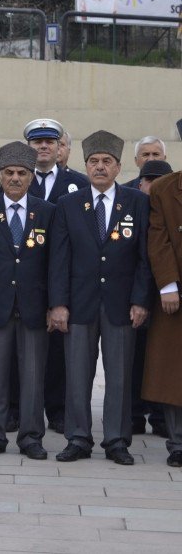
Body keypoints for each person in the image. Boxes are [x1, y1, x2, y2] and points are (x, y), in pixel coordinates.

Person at [49, 130, 152, 465]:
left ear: (119, 167)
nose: (100, 167)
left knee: (120, 376)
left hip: (122, 304)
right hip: (79, 304)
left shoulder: (137, 202)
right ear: (86, 166)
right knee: (77, 374)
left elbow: (143, 257)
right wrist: (59, 304)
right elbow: (59, 258)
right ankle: (78, 438)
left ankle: (117, 440)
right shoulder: (68, 204)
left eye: (107, 161)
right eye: (94, 161)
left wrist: (140, 300)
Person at [0, 142, 55, 460]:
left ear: (31, 176)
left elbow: (54, 263)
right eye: (9, 172)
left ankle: (31, 436)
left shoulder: (47, 212)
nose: (15, 178)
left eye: (21, 173)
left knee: (33, 376)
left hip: (35, 306)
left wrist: (54, 304)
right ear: (0, 175)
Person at [24, 118, 88, 435]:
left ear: (59, 147)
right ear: (29, 147)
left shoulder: (79, 183)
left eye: (50, 141)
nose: (44, 146)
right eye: (38, 142)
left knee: (59, 352)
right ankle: (15, 409)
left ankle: (58, 410)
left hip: (65, 278)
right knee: (21, 349)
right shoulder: (16, 178)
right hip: (27, 279)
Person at [143, 159, 182, 466]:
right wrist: (168, 284)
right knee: (174, 371)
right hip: (177, 293)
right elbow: (159, 238)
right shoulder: (164, 188)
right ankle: (178, 442)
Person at [132, 159, 172, 438]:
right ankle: (133, 415)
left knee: (161, 362)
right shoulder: (131, 206)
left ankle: (160, 417)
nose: (154, 185)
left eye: (160, 180)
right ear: (140, 183)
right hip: (134, 299)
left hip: (163, 301)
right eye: (150, 180)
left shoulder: (168, 208)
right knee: (134, 360)